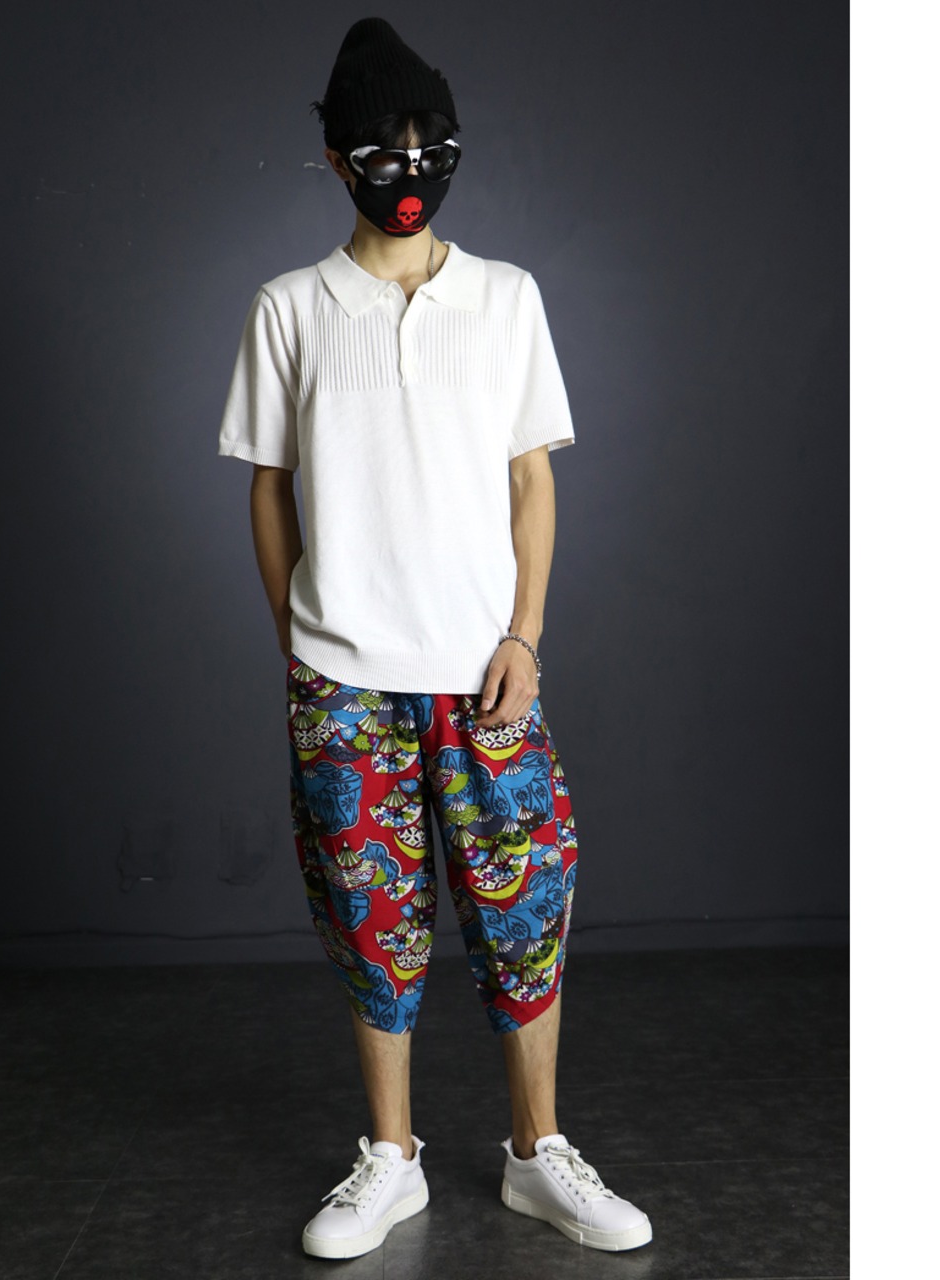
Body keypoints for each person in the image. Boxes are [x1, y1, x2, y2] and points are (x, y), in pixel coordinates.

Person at [216, 16, 651, 1261]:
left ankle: (535, 1151)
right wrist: (301, 639)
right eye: (381, 151)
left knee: (526, 905)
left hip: (483, 667)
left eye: (430, 149)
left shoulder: (505, 297)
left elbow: (530, 478)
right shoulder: (289, 307)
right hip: (342, 675)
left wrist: (525, 633)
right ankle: (391, 1156)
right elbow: (268, 487)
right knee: (370, 914)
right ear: (334, 158)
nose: (407, 176)